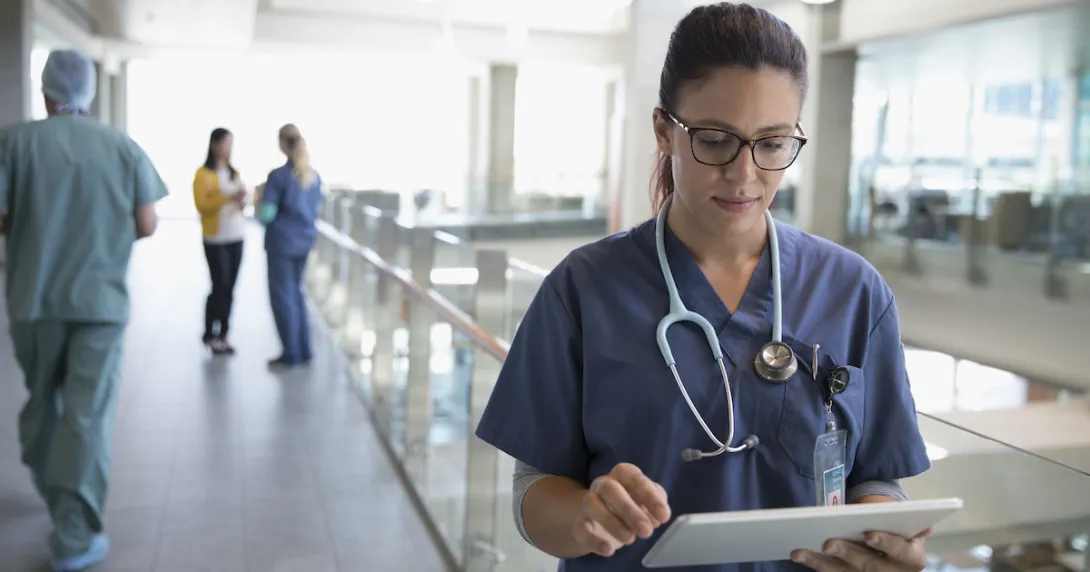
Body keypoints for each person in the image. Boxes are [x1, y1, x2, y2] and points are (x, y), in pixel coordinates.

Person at [473, 4, 931, 572]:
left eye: (772, 143)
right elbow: (533, 491)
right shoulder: (583, 289)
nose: (744, 175)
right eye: (715, 140)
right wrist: (584, 515)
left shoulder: (852, 291)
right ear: (664, 130)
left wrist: (884, 540)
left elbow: (877, 478)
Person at [0, 49, 167, 571]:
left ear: (46, 91)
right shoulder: (121, 146)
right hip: (99, 303)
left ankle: (57, 493)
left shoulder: (13, 143)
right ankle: (74, 535)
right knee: (86, 415)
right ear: (90, 93)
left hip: (33, 299)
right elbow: (146, 223)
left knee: (42, 402)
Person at [257, 124, 323, 368]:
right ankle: (304, 350)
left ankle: (291, 353)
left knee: (283, 297)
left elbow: (266, 214)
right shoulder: (313, 177)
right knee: (297, 294)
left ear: (282, 144)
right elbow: (316, 210)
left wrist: (259, 200)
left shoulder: (278, 177)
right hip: (304, 242)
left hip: (282, 244)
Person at [193, 127, 248, 355]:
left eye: (231, 143)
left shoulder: (234, 173)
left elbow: (242, 202)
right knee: (219, 285)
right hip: (215, 238)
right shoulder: (203, 174)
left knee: (231, 287)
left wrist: (241, 201)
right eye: (225, 143)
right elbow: (202, 206)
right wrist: (226, 197)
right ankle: (209, 333)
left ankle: (224, 333)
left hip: (236, 235)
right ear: (215, 145)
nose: (228, 148)